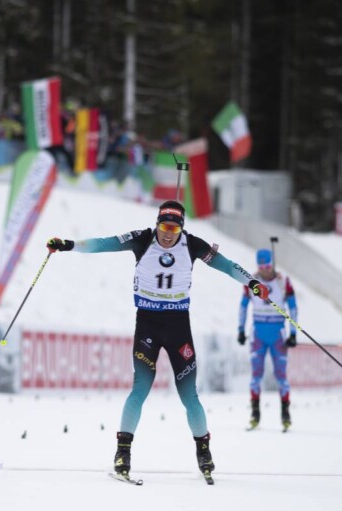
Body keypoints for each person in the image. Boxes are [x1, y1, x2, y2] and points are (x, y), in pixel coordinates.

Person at [46, 200, 269, 481]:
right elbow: (104, 244)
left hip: (178, 328)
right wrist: (68, 245)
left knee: (189, 395)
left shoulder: (192, 244)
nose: (167, 234)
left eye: (174, 229)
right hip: (148, 326)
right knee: (139, 389)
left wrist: (252, 283)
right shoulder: (142, 239)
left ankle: (204, 452)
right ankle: (123, 453)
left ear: (181, 229)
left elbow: (226, 265)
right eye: (164, 227)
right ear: (157, 224)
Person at [238, 248, 298, 430]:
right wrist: (241, 330)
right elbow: (243, 306)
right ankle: (255, 414)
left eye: (267, 266)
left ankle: (285, 414)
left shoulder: (283, 282)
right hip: (258, 334)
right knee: (256, 376)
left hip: (278, 334)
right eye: (261, 266)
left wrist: (293, 333)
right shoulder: (251, 281)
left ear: (272, 264)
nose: (265, 270)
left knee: (281, 376)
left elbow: (293, 307)